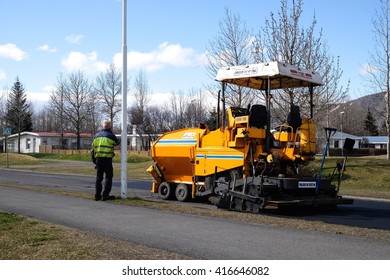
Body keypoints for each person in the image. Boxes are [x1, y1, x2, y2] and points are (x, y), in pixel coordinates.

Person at [91, 120, 119, 201]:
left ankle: (97, 196)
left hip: (98, 159)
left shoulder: (96, 136)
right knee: (108, 177)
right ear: (110, 126)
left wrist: (94, 160)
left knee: (99, 178)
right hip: (107, 159)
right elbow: (116, 143)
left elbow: (93, 148)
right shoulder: (110, 136)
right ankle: (105, 195)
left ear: (102, 126)